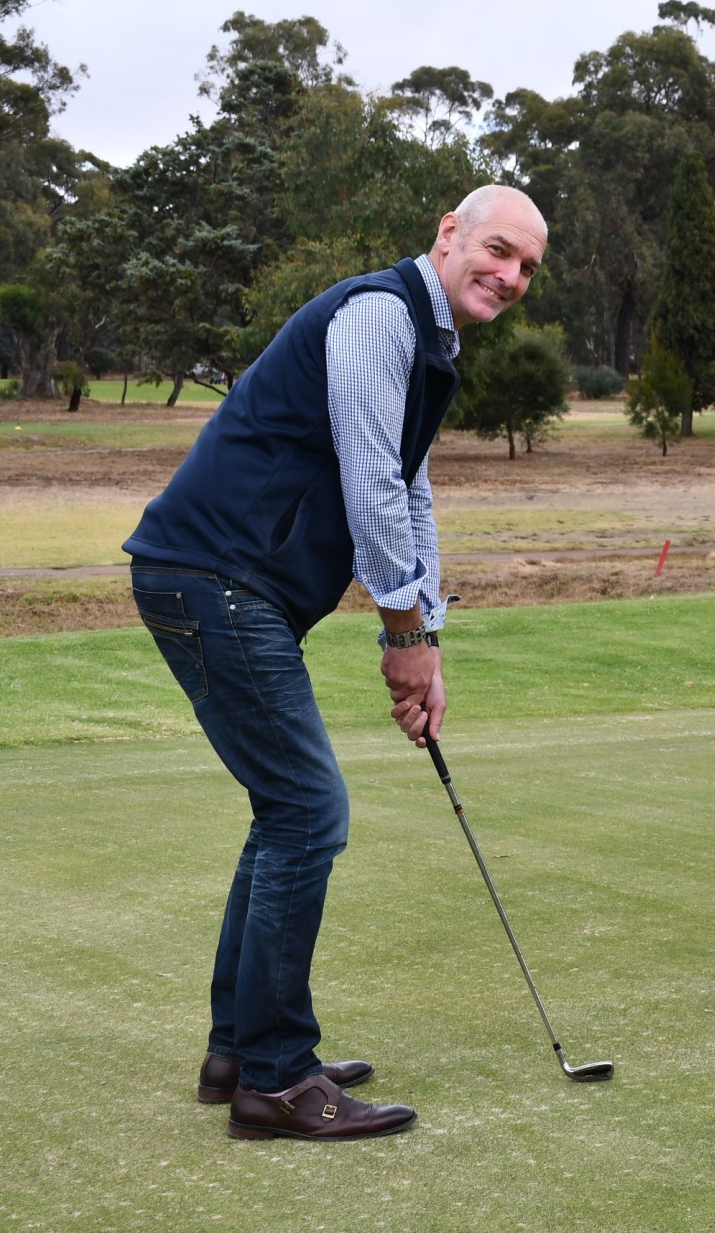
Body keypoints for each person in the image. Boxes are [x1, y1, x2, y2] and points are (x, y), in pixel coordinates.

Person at [123, 185, 547, 1141]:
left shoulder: (430, 343)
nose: (511, 276)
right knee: (309, 811)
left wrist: (427, 634)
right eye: (498, 250)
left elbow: (411, 491)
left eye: (527, 266)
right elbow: (366, 479)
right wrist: (400, 638)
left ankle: (239, 1047)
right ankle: (275, 1076)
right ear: (448, 233)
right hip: (215, 575)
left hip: (226, 581)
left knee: (285, 809)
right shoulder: (378, 315)